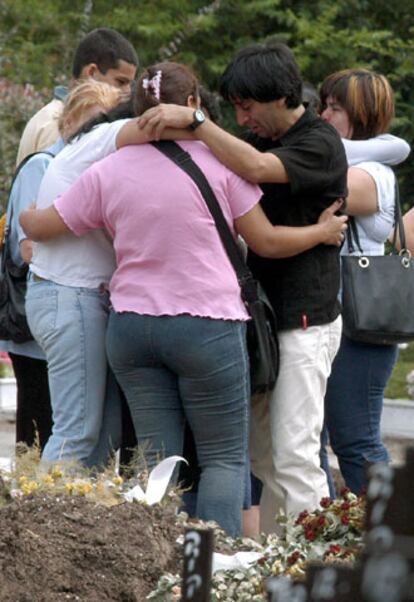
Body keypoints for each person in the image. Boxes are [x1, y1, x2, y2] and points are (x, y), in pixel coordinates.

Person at [20, 61, 347, 537]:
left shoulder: (108, 170)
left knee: (156, 456)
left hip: (130, 328)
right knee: (222, 458)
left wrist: (26, 218)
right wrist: (321, 230)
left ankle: (154, 561)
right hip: (207, 326)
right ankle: (208, 576)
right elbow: (267, 242)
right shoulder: (225, 168)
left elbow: (47, 226)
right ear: (192, 105)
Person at [136, 43, 348, 533]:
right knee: (264, 455)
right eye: (232, 107)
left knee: (295, 452)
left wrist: (196, 122)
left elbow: (254, 169)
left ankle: (315, 564)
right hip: (262, 322)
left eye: (247, 106)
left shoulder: (319, 142)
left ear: (279, 96)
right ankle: (278, 560)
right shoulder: (263, 141)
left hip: (306, 321)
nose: (241, 116)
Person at [19, 80, 127, 469]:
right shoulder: (85, 155)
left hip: (71, 297)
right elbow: (29, 239)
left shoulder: (68, 159)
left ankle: (75, 522)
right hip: (73, 296)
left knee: (99, 434)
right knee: (76, 432)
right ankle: (38, 525)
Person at [319, 68, 404, 495]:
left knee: (356, 440)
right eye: (324, 106)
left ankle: (390, 533)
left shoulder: (374, 174)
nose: (323, 117)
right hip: (327, 310)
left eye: (335, 109)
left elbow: (317, 182)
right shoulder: (366, 159)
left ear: (363, 115)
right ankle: (330, 538)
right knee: (316, 438)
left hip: (360, 318)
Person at [16, 27, 138, 165]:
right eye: (121, 82)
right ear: (91, 72)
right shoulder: (58, 124)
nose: (127, 91)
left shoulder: (60, 116)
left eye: (130, 84)